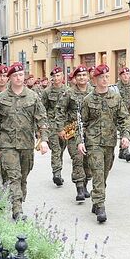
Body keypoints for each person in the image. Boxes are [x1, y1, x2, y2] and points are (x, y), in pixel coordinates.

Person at [0, 62, 50, 220]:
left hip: (26, 144)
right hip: (7, 144)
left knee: (22, 176)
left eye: (21, 74)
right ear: (10, 77)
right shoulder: (1, 98)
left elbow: (42, 119)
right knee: (13, 176)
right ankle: (17, 210)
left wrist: (44, 140)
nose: (18, 78)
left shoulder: (33, 96)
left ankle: (17, 198)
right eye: (15, 75)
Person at [76, 64, 130, 223]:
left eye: (107, 77)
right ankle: (100, 206)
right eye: (101, 77)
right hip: (93, 142)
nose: (105, 80)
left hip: (110, 142)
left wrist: (125, 136)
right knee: (98, 172)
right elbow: (81, 123)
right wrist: (80, 141)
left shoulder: (116, 98)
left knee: (104, 173)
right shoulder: (88, 100)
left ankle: (96, 198)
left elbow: (124, 119)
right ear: (95, 79)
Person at [57, 65, 94, 201]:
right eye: (79, 75)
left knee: (88, 160)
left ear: (88, 77)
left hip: (90, 132)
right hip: (73, 132)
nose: (82, 77)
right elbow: (60, 111)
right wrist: (60, 128)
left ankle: (85, 184)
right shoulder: (69, 93)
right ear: (75, 78)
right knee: (78, 158)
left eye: (84, 75)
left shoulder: (93, 92)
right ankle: (79, 187)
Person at [41, 66, 68, 186]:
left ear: (62, 76)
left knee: (62, 147)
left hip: (65, 125)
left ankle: (58, 170)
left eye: (58, 75)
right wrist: (42, 128)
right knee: (56, 149)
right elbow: (42, 109)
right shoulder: (47, 92)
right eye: (54, 76)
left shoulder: (68, 91)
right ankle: (57, 173)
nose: (56, 78)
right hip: (51, 124)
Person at [115, 67, 130, 163]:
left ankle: (121, 151)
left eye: (127, 74)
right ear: (120, 76)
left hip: (129, 113)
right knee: (124, 130)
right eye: (123, 74)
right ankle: (126, 151)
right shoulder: (116, 87)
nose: (126, 76)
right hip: (119, 114)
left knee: (125, 131)